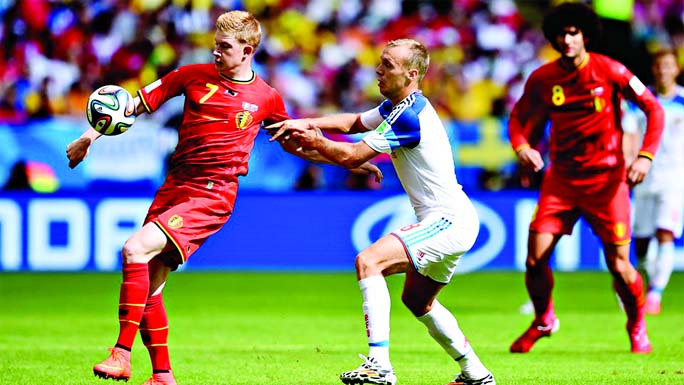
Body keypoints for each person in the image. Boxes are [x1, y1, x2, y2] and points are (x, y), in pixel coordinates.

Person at [66, 10, 380, 385]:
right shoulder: (191, 76)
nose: (217, 52)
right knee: (150, 280)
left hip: (212, 194)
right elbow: (130, 106)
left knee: (135, 249)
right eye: (215, 45)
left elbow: (297, 143)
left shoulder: (265, 98)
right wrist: (91, 136)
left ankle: (121, 353)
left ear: (247, 51)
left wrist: (349, 160)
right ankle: (163, 376)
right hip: (175, 186)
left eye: (225, 47)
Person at [269, 38, 495, 385]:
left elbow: (350, 155)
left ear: (411, 73)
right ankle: (476, 374)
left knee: (369, 261)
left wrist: (313, 139)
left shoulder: (409, 116)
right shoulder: (397, 107)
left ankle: (379, 365)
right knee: (418, 302)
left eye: (388, 65)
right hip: (449, 219)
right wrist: (307, 124)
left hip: (448, 219)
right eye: (380, 62)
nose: (378, 70)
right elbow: (353, 123)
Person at [507, 2, 664, 354]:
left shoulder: (610, 71)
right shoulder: (543, 78)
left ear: (585, 35)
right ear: (553, 38)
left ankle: (636, 324)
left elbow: (653, 108)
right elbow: (518, 118)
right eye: (561, 34)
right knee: (534, 260)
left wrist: (645, 156)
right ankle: (544, 318)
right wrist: (522, 148)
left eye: (573, 33)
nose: (567, 40)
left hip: (607, 183)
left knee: (620, 267)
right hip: (561, 181)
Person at [622, 48, 684, 315]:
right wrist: (628, 163)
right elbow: (629, 134)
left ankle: (656, 293)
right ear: (654, 69)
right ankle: (649, 284)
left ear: (676, 69)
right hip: (644, 176)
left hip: (674, 177)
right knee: (643, 241)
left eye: (668, 65)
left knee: (665, 232)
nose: (663, 71)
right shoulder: (640, 100)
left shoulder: (683, 99)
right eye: (659, 66)